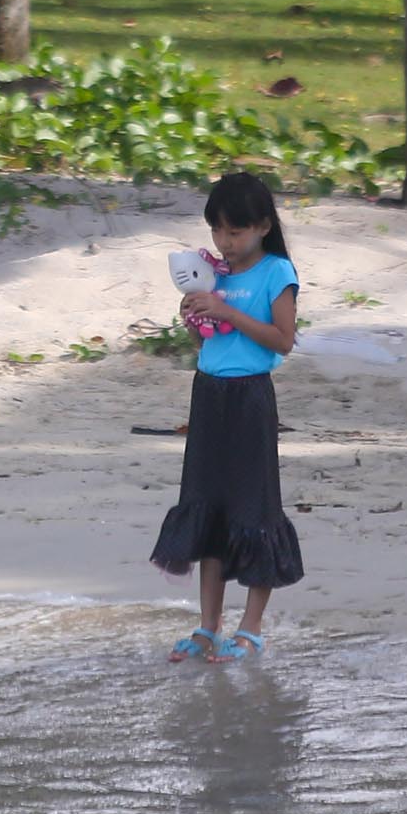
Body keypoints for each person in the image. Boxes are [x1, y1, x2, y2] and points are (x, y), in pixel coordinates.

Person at [150, 171, 305, 662]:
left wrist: (228, 311)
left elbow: (282, 341)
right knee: (207, 508)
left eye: (234, 232)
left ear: (262, 226)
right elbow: (214, 341)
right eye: (217, 230)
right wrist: (197, 319)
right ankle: (208, 626)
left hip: (250, 398)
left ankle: (251, 627)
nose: (224, 241)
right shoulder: (215, 272)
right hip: (208, 393)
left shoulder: (276, 272)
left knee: (254, 510)